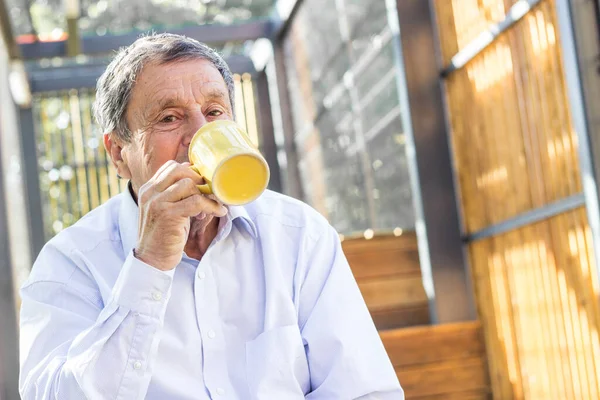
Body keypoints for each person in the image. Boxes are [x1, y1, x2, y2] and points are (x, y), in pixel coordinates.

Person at [18, 33, 403, 399]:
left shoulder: (300, 234)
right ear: (119, 153)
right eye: (170, 118)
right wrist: (148, 266)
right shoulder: (70, 262)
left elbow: (363, 389)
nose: (199, 133)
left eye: (214, 111)